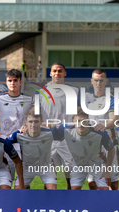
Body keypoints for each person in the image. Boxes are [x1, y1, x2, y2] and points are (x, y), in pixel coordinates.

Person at [38, 62, 80, 190]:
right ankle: (49, 207)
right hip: (48, 139)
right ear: (50, 73)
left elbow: (79, 115)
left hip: (68, 140)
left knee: (72, 179)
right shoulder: (41, 91)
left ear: (64, 73)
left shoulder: (74, 91)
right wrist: (50, 125)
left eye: (60, 71)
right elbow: (36, 118)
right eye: (54, 71)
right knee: (49, 180)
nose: (57, 73)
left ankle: (71, 207)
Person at [51, 108, 115, 190]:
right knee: (74, 190)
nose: (80, 124)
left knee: (104, 191)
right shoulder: (66, 128)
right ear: (73, 120)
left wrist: (107, 170)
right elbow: (50, 125)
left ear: (88, 121)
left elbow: (111, 150)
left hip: (97, 164)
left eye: (83, 121)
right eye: (78, 121)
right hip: (78, 164)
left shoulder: (99, 133)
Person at [0, 69, 33, 181]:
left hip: (24, 142)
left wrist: (28, 125)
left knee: (24, 179)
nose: (12, 83)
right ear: (6, 82)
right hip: (6, 141)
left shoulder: (29, 99)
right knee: (7, 178)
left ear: (20, 82)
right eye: (10, 80)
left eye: (15, 80)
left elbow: (37, 116)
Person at [85, 68, 119, 190]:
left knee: (112, 181)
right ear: (91, 81)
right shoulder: (85, 98)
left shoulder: (111, 99)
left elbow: (114, 119)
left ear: (106, 81)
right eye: (96, 80)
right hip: (90, 143)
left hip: (109, 142)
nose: (98, 83)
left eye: (101, 80)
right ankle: (98, 208)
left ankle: (115, 207)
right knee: (92, 182)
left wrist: (104, 126)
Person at [9, 109, 57, 189]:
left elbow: (65, 129)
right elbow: (4, 142)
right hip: (27, 167)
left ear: (41, 121)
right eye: (30, 121)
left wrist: (50, 125)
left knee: (52, 190)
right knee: (18, 191)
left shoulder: (50, 133)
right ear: (26, 122)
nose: (33, 124)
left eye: (36, 121)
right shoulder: (19, 134)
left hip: (46, 167)